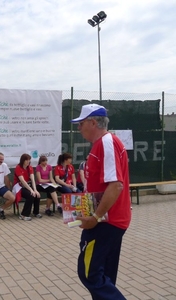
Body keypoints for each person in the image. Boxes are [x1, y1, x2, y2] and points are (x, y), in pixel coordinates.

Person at [71, 103, 132, 299]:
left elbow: (116, 185)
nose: (78, 128)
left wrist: (95, 217)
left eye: (81, 123)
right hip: (110, 220)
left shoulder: (106, 142)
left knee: (89, 273)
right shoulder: (103, 144)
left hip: (106, 221)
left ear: (93, 122)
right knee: (104, 275)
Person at [12, 153, 41, 221]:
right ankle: (23, 215)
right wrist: (31, 190)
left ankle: (36, 212)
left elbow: (33, 180)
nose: (28, 161)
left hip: (28, 185)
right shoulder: (18, 167)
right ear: (23, 160)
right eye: (26, 160)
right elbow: (22, 181)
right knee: (30, 195)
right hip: (19, 186)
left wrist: (35, 190)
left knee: (37, 195)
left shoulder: (30, 167)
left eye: (29, 160)